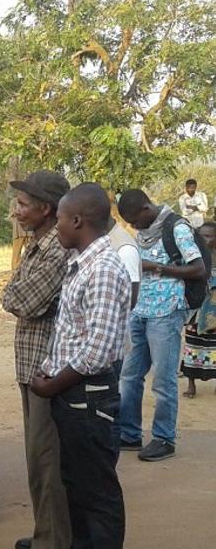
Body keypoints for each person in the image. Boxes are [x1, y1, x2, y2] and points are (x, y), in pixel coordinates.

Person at [30, 183, 131, 548]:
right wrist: (49, 368)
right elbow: (73, 333)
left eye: (58, 218)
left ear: (77, 220)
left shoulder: (102, 269)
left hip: (88, 397)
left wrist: (52, 384)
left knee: (96, 493)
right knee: (77, 485)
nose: (55, 225)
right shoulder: (82, 263)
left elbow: (98, 351)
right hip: (73, 393)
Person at [1, 170, 72, 549]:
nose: (16, 210)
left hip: (48, 373)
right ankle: (47, 534)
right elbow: (12, 295)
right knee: (38, 460)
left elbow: (20, 300)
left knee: (47, 462)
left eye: (23, 204)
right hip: (32, 368)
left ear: (46, 209)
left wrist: (15, 295)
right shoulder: (37, 245)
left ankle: (53, 540)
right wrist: (15, 295)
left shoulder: (56, 250)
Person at [117, 189, 206, 461]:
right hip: (140, 309)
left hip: (166, 312)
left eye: (135, 220)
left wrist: (156, 267)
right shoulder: (145, 231)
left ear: (146, 208)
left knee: (163, 380)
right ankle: (129, 434)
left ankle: (164, 438)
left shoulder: (176, 228)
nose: (134, 226)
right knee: (129, 375)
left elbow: (198, 268)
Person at [182, 222, 216, 398]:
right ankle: (191, 385)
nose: (204, 239)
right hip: (195, 311)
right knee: (192, 347)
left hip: (214, 311)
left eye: (209, 236)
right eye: (201, 236)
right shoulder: (193, 258)